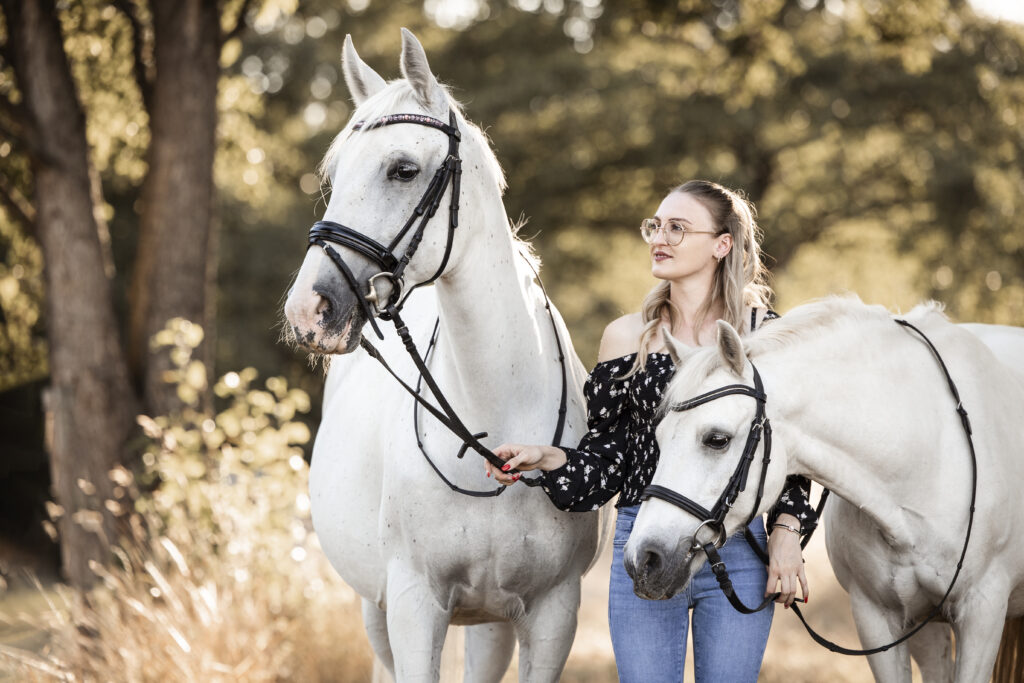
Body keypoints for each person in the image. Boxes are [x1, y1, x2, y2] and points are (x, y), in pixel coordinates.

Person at [486, 180, 817, 682]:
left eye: (678, 228)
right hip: (645, 536)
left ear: (722, 244)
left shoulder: (766, 336)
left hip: (737, 544)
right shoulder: (627, 337)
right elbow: (608, 461)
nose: (659, 237)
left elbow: (791, 453)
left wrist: (786, 534)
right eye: (655, 226)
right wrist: (549, 458)